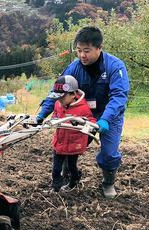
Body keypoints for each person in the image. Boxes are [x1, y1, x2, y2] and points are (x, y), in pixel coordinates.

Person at [37, 26, 130, 198]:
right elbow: (57, 91)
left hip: (109, 117)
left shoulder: (115, 67)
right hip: (81, 116)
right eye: (79, 51)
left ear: (99, 48)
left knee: (109, 154)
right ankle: (69, 179)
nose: (82, 56)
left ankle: (108, 182)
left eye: (86, 51)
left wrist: (105, 120)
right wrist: (42, 114)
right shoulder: (73, 68)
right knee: (66, 147)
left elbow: (119, 97)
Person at [48, 75, 96, 193]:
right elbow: (55, 114)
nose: (59, 100)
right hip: (60, 141)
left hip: (74, 144)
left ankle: (74, 181)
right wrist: (53, 119)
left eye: (62, 97)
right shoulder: (58, 104)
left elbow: (91, 122)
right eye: (57, 97)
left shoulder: (83, 108)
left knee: (71, 167)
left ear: (73, 94)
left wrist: (89, 126)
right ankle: (56, 188)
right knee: (56, 169)